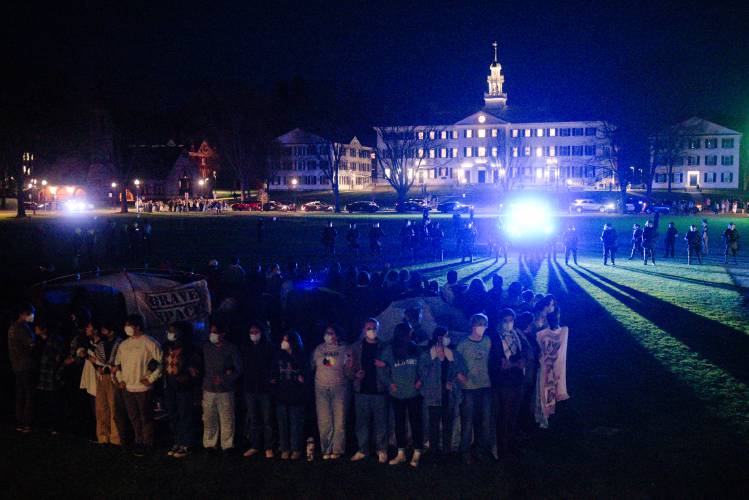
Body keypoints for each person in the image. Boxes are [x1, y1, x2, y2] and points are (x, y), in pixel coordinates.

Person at [114, 314, 162, 456]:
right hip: (128, 388)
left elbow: (161, 363)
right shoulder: (124, 344)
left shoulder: (149, 342)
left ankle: (148, 443)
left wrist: (151, 379)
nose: (126, 328)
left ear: (138, 326)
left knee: (145, 417)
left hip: (143, 389)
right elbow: (118, 364)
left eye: (129, 325)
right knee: (134, 417)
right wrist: (120, 379)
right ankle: (138, 441)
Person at [379, 322, 425, 467]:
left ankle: (417, 452)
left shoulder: (415, 348)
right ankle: (401, 453)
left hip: (413, 393)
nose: (411, 333)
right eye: (409, 331)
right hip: (397, 393)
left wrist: (420, 380)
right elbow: (381, 367)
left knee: (415, 422)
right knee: (399, 423)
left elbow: (424, 366)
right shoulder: (390, 350)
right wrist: (389, 383)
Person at [490, 309, 530, 462]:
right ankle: (502, 447)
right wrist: (514, 364)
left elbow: (519, 357)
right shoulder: (495, 336)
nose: (509, 323)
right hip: (503, 382)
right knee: (504, 415)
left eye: (511, 320)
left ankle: (512, 443)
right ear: (500, 321)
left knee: (514, 414)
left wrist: (515, 364)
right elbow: (498, 363)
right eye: (506, 320)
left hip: (517, 380)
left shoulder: (516, 335)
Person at [347, 319, 388, 464]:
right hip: (361, 390)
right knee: (361, 423)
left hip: (379, 391)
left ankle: (381, 449)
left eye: (374, 328)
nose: (371, 330)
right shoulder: (355, 347)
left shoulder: (384, 347)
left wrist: (385, 365)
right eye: (368, 328)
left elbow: (391, 366)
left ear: (378, 328)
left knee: (381, 423)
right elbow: (348, 369)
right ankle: (363, 449)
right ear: (364, 329)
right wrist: (354, 375)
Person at [455, 313, 493, 464]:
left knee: (483, 421)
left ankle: (479, 449)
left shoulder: (487, 341)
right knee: (468, 421)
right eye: (479, 324)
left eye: (484, 324)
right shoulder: (463, 343)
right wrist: (459, 375)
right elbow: (455, 361)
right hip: (469, 387)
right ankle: (465, 451)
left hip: (485, 385)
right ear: (473, 325)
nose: (482, 327)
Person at [312, 324, 351, 460]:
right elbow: (314, 364)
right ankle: (325, 449)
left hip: (339, 387)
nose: (329, 335)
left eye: (331, 333)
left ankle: (337, 449)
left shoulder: (345, 348)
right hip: (321, 388)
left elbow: (347, 368)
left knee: (339, 420)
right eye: (327, 332)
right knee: (324, 420)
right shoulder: (319, 348)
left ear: (338, 335)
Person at [202, 323, 242, 452]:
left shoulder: (231, 348)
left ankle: (227, 445)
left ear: (223, 334)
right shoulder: (206, 347)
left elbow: (238, 369)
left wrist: (225, 378)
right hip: (208, 388)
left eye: (215, 332)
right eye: (211, 331)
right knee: (209, 417)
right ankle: (210, 443)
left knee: (227, 417)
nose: (212, 334)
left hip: (225, 389)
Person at [163, 322, 201, 459]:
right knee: (173, 414)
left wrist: (187, 375)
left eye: (173, 331)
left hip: (184, 387)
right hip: (170, 385)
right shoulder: (166, 347)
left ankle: (187, 444)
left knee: (185, 414)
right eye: (169, 330)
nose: (170, 333)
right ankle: (178, 441)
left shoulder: (191, 349)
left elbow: (196, 369)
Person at [420, 326, 458, 457]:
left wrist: (452, 384)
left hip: (448, 395)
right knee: (434, 425)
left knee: (447, 424)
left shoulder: (451, 354)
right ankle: (433, 450)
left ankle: (446, 451)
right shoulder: (427, 355)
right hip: (433, 395)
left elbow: (456, 372)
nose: (448, 338)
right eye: (446, 335)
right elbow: (422, 374)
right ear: (439, 337)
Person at [241, 321, 275, 459]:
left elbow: (272, 367)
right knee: (254, 418)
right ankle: (255, 445)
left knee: (267, 419)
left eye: (256, 332)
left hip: (265, 389)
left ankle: (269, 446)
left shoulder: (269, 348)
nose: (254, 335)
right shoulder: (246, 348)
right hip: (250, 388)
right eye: (251, 332)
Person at [271, 331, 307, 460]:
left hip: (296, 395)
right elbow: (274, 372)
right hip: (282, 393)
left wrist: (303, 380)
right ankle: (285, 448)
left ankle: (296, 448)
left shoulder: (301, 357)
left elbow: (306, 374)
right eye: (283, 339)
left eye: (286, 340)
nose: (283, 342)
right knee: (282, 423)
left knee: (295, 422)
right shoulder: (278, 356)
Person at [8, 303, 36, 433]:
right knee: (28, 394)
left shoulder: (12, 327)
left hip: (16, 365)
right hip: (25, 365)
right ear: (24, 314)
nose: (32, 317)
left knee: (20, 394)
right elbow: (31, 345)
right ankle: (26, 423)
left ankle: (19, 422)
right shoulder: (23, 328)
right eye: (31, 314)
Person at [94, 322, 123, 446]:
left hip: (114, 377)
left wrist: (116, 367)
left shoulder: (120, 344)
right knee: (101, 407)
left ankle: (115, 438)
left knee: (114, 408)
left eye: (105, 329)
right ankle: (103, 437)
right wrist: (97, 366)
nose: (103, 332)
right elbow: (96, 359)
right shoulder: (100, 344)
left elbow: (122, 360)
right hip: (102, 377)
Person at [34, 320, 65, 434]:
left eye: (37, 328)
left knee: (53, 402)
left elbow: (59, 356)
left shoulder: (54, 340)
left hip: (51, 375)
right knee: (46, 401)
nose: (35, 330)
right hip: (43, 376)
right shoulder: (39, 341)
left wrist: (56, 367)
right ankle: (47, 424)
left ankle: (55, 426)